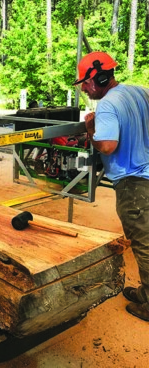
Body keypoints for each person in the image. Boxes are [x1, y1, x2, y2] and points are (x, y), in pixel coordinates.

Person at [74, 51, 149, 322]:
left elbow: (107, 145)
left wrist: (91, 130)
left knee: (144, 244)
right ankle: (145, 292)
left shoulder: (107, 104)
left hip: (134, 183)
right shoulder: (140, 92)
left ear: (100, 78)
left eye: (85, 83)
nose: (84, 89)